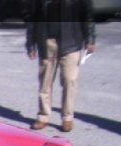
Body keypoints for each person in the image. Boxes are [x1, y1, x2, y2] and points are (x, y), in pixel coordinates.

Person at [25, 0, 95, 133]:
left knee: (70, 80)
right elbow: (32, 17)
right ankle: (43, 116)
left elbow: (87, 15)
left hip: (71, 41)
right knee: (45, 82)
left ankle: (67, 117)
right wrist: (30, 44)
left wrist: (90, 39)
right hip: (47, 41)